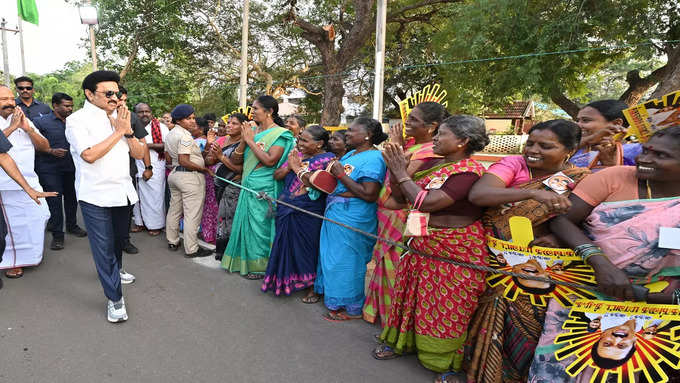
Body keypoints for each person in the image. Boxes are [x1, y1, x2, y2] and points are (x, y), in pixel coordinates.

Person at [527, 126, 680, 382]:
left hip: (658, 304)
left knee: (634, 372)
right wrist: (600, 263)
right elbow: (562, 221)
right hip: (583, 290)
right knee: (561, 367)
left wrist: (648, 296)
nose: (644, 159)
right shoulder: (615, 177)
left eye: (661, 156)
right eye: (645, 150)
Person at [464, 119, 589, 383]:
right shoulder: (514, 164)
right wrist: (533, 195)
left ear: (569, 150)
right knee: (490, 316)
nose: (533, 150)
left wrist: (556, 237)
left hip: (545, 266)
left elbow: (584, 218)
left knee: (533, 324)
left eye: (545, 146)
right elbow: (480, 195)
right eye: (530, 143)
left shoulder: (580, 178)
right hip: (497, 259)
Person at [373, 115, 490, 383]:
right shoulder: (435, 166)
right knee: (413, 297)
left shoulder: (469, 171)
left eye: (443, 135)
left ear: (463, 141)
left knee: (448, 307)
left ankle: (446, 362)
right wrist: (395, 170)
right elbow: (397, 200)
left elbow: (427, 202)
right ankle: (404, 342)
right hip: (421, 240)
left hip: (455, 248)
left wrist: (402, 173)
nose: (435, 138)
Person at [65, 70, 145, 323]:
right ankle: (115, 299)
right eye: (108, 93)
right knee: (102, 247)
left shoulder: (121, 117)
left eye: (117, 92)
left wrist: (127, 131)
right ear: (89, 94)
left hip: (122, 192)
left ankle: (117, 269)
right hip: (95, 194)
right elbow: (89, 155)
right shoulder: (77, 120)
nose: (115, 97)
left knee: (119, 240)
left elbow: (140, 154)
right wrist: (118, 131)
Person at [364, 102, 446, 326]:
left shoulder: (430, 152)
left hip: (402, 216)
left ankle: (394, 321)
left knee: (395, 267)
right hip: (387, 213)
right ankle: (377, 312)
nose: (406, 122)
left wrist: (397, 148)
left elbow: (401, 183)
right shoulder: (411, 145)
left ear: (432, 127)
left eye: (414, 120)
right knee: (382, 264)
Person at [314, 117, 387, 320]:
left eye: (352, 131)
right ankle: (333, 297)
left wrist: (340, 175)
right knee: (332, 257)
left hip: (353, 216)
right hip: (336, 212)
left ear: (367, 135)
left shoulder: (374, 158)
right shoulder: (352, 154)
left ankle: (350, 306)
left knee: (347, 260)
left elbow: (370, 194)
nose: (347, 133)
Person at [221, 95, 295, 279]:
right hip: (247, 185)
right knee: (248, 226)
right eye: (252, 108)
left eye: (255, 109)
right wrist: (245, 141)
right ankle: (245, 261)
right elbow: (237, 160)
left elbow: (270, 161)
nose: (252, 112)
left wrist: (251, 141)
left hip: (264, 188)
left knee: (260, 227)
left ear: (269, 112)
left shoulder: (279, 134)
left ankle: (261, 267)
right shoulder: (252, 131)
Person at [262, 125, 335, 299]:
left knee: (307, 248)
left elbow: (323, 186)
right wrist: (290, 166)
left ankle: (312, 286)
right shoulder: (297, 156)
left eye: (304, 140)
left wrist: (296, 168)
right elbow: (277, 175)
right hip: (287, 206)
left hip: (308, 211)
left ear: (319, 144)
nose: (299, 143)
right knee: (286, 246)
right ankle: (285, 279)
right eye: (299, 139)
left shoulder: (328, 160)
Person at [0, 88, 55, 290]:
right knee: (11, 227)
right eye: (3, 99)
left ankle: (29, 256)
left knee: (41, 215)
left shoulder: (23, 119)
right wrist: (13, 128)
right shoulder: (12, 122)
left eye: (10, 98)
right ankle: (12, 262)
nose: (10, 102)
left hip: (29, 181)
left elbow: (45, 146)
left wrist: (27, 128)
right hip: (4, 185)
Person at [34, 92, 87, 251]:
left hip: (72, 168)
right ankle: (58, 235)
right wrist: (50, 150)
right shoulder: (40, 122)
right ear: (55, 105)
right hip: (49, 169)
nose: (70, 109)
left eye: (71, 106)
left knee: (72, 199)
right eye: (66, 106)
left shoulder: (76, 122)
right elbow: (33, 144)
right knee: (55, 202)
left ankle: (72, 226)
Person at [164, 104, 213, 258]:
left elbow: (168, 157)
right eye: (188, 118)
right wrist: (204, 169)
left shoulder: (170, 134)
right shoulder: (185, 136)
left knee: (174, 210)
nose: (193, 121)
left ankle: (172, 240)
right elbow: (184, 160)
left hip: (175, 175)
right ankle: (191, 248)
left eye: (193, 118)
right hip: (189, 176)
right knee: (192, 213)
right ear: (179, 120)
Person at [206, 113, 245, 259]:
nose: (229, 125)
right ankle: (222, 251)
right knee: (222, 219)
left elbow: (240, 169)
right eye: (228, 122)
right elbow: (209, 161)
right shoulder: (222, 140)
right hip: (219, 185)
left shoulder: (244, 144)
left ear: (243, 127)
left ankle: (228, 254)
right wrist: (210, 147)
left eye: (234, 123)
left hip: (233, 186)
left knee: (229, 219)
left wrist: (222, 157)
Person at [131, 103, 169, 236]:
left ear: (151, 113)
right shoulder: (132, 126)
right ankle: (140, 223)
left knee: (155, 197)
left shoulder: (161, 127)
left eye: (147, 111)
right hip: (136, 165)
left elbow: (166, 146)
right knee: (138, 196)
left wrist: (145, 145)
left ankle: (155, 225)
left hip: (156, 166)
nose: (144, 114)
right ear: (135, 114)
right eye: (141, 112)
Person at [572, 100, 642, 169]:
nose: (578, 125)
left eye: (585, 120)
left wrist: (610, 165)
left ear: (616, 123)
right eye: (578, 120)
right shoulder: (577, 146)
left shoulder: (636, 150)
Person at [119, 87, 147, 254]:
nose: (121, 103)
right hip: (102, 176)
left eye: (124, 100)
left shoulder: (132, 118)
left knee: (125, 209)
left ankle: (124, 241)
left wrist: (148, 167)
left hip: (127, 172)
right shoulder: (94, 119)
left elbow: (142, 147)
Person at [195, 117, 218, 244]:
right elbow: (203, 159)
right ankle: (207, 232)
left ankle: (212, 233)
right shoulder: (198, 141)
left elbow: (210, 159)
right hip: (204, 174)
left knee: (212, 205)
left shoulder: (217, 141)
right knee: (206, 205)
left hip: (211, 175)